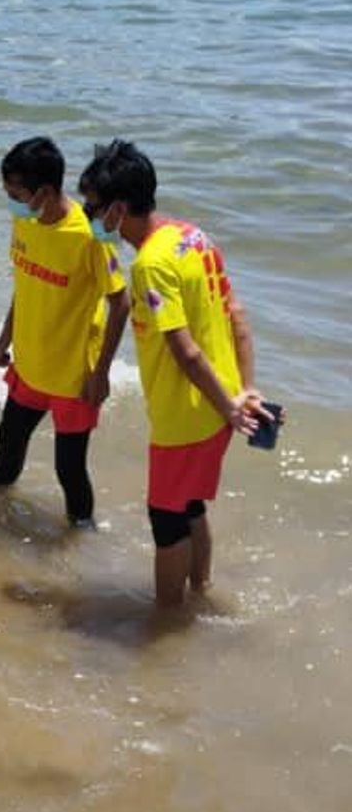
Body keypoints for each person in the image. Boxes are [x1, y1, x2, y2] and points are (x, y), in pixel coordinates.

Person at [78, 138, 270, 609]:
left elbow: (183, 352)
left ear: (119, 209)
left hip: (186, 416)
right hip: (217, 408)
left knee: (165, 518)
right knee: (190, 507)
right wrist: (243, 390)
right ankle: (199, 591)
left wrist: (229, 405)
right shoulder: (193, 237)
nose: (88, 216)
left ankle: (166, 621)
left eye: (94, 207)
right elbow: (237, 315)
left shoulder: (149, 265)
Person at [0, 135, 130, 527]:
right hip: (31, 359)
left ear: (44, 192)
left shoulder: (88, 238)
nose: (10, 200)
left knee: (69, 468)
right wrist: (5, 338)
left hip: (74, 375)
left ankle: (81, 542)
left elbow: (121, 302)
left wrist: (100, 374)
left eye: (15, 193)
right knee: (8, 440)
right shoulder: (25, 220)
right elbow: (24, 280)